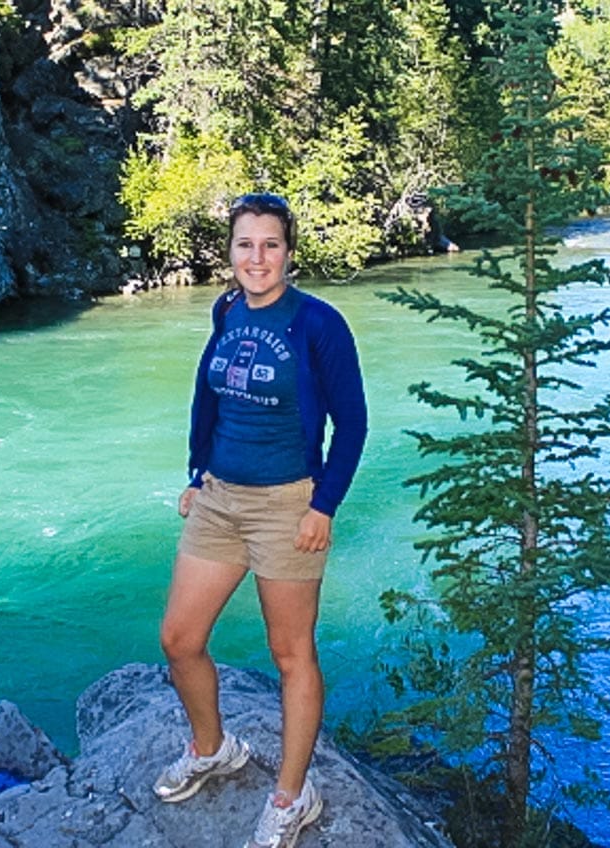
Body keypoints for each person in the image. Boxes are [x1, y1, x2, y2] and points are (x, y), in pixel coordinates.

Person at [154, 193, 367, 848]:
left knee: (291, 654)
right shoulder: (227, 310)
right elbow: (209, 397)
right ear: (230, 252)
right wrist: (197, 474)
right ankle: (212, 748)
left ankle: (291, 795)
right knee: (179, 639)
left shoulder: (318, 324)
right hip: (219, 500)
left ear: (289, 253)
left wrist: (323, 506)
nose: (257, 257)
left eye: (270, 244)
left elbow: (352, 423)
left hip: (288, 505)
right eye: (245, 244)